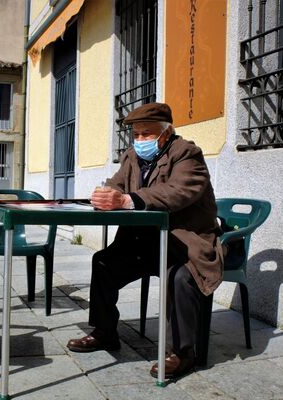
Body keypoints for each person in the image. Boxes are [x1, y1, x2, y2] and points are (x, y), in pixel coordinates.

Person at [66, 102, 224, 379]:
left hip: (182, 243)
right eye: (136, 134)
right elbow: (116, 183)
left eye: (146, 134)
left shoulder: (188, 154)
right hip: (145, 241)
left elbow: (177, 192)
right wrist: (107, 194)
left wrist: (129, 199)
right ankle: (105, 331)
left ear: (166, 132)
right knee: (103, 262)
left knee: (179, 278)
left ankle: (183, 353)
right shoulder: (132, 157)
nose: (140, 141)